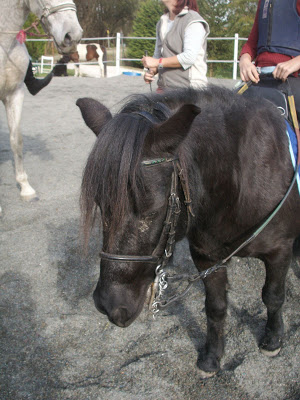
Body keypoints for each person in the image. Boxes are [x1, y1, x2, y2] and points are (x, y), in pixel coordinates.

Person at [239, 0, 300, 117]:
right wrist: (245, 60)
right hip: (259, 78)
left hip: (293, 78)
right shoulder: (263, 2)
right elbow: (251, 43)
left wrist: (296, 62)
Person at [141, 0, 209, 91]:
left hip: (190, 91)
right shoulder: (162, 22)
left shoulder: (193, 21)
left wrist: (157, 62)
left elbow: (189, 58)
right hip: (164, 88)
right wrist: (152, 71)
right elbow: (158, 57)